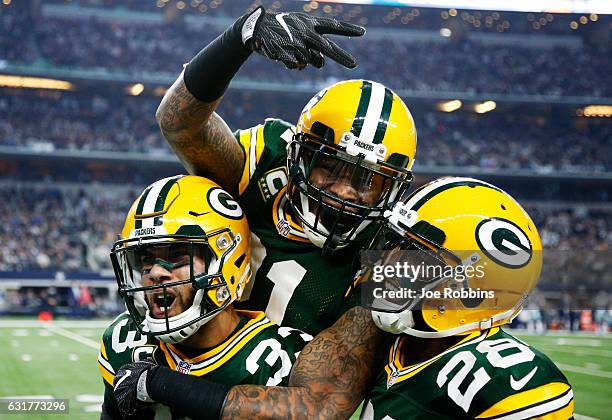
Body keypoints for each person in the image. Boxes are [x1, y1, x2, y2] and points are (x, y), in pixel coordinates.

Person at [115, 177, 574, 420]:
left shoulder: (507, 375)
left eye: (411, 255)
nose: (385, 264)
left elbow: (310, 411)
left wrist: (160, 385)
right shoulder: (392, 343)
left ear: (473, 285)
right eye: (391, 244)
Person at [155, 6, 418, 334]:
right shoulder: (269, 162)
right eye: (330, 166)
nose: (344, 191)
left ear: (392, 192)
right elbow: (179, 124)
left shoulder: (388, 252)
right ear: (297, 155)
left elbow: (491, 284)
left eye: (368, 180)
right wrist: (240, 35)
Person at [99, 175, 311, 419]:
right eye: (146, 259)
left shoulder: (278, 357)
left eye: (178, 255)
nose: (155, 272)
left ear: (227, 261)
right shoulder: (124, 340)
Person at [361, 177, 574, 419]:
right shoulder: (398, 343)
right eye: (396, 245)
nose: (390, 261)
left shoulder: (509, 381)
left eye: (415, 257)